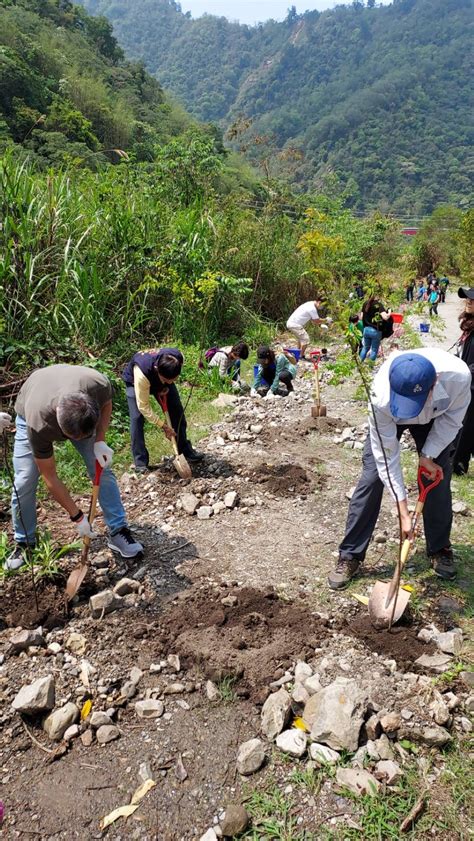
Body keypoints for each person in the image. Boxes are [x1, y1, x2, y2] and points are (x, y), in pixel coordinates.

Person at [328, 349, 471, 590]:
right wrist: (403, 512)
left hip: (436, 418)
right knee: (372, 478)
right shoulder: (380, 395)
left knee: (436, 475)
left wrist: (428, 455)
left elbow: (452, 421)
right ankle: (350, 554)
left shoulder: (458, 378)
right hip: (389, 417)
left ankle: (440, 548)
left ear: (434, 383)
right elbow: (387, 455)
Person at [4, 365, 143, 571]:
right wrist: (78, 517)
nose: (82, 441)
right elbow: (49, 476)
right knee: (24, 481)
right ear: (61, 429)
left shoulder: (98, 384)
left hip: (73, 391)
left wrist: (100, 440)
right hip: (31, 404)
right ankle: (25, 542)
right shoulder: (39, 424)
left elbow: (106, 404)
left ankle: (118, 530)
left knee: (101, 469)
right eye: (76, 438)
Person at [123, 347, 203, 474]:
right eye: (168, 380)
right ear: (158, 371)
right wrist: (164, 426)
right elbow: (143, 406)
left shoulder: (177, 358)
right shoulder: (141, 373)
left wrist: (165, 385)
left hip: (159, 377)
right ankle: (140, 462)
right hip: (135, 382)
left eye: (174, 379)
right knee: (136, 418)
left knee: (177, 410)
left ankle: (184, 449)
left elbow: (170, 378)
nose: (172, 382)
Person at [452, 287, 474, 475]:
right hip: (466, 384)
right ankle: (458, 460)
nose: (468, 301)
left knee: (466, 424)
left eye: (472, 299)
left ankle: (458, 463)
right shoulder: (469, 326)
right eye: (467, 298)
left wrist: (463, 374)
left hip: (470, 385)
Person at [359, 296, 392, 362]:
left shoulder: (365, 304)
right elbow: (385, 317)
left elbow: (361, 317)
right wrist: (389, 312)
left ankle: (360, 364)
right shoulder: (378, 305)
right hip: (375, 331)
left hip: (366, 330)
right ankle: (370, 366)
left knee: (365, 348)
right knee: (374, 349)